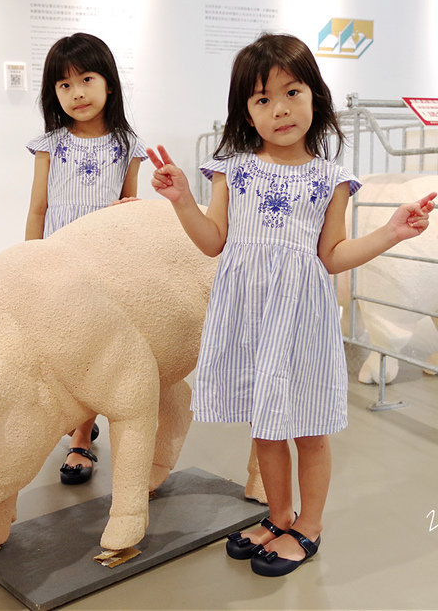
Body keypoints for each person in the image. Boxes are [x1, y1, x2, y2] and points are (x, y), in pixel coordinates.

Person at [147, 33, 435, 577]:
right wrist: (183, 199)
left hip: (302, 320)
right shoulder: (232, 169)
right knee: (266, 423)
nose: (279, 108)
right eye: (262, 99)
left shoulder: (332, 179)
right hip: (248, 317)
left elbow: (331, 255)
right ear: (246, 113)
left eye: (291, 92)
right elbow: (213, 241)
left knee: (308, 427)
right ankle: (279, 516)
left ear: (315, 98)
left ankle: (310, 524)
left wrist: (393, 232)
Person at [25, 32, 147, 485]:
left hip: (107, 267)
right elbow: (38, 208)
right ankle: (76, 418)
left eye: (87, 79)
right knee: (63, 350)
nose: (76, 92)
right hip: (59, 263)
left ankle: (81, 439)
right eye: (64, 85)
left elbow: (130, 206)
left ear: (109, 84)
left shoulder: (128, 145)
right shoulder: (49, 145)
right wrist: (31, 262)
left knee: (95, 351)